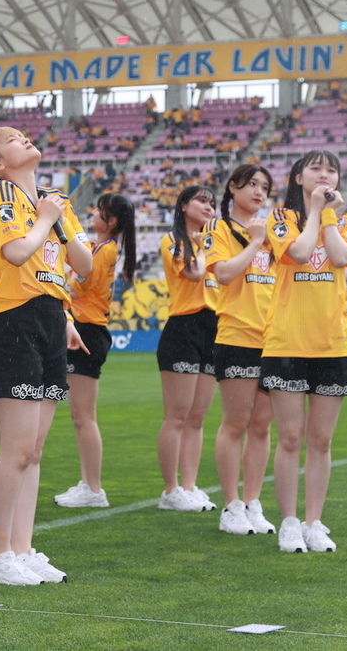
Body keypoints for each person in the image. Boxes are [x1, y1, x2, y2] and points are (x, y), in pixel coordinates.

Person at [0, 127, 92, 585]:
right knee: (17, 449)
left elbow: (84, 266)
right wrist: (45, 219)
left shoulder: (54, 202)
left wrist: (58, 219)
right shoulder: (3, 193)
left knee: (34, 450)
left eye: (24, 134)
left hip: (50, 318)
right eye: (12, 138)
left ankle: (22, 548)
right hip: (14, 322)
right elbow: (18, 252)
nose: (24, 138)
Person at [262, 150, 347, 553]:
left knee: (321, 441)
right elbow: (300, 253)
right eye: (316, 168)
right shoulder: (281, 218)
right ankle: (289, 522)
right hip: (287, 341)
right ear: (299, 177)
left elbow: (340, 257)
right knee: (289, 437)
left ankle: (314, 522)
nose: (324, 175)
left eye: (331, 170)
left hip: (333, 344)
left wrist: (329, 215)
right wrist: (316, 213)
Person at [203, 164, 277, 536]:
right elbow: (224, 274)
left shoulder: (275, 234)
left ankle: (252, 502)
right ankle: (231, 505)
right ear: (232, 188)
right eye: (251, 184)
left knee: (262, 426)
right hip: (236, 337)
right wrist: (254, 242)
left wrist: (264, 238)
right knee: (235, 423)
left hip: (274, 340)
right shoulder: (217, 228)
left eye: (265, 187)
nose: (259, 192)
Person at [54, 193, 137, 508]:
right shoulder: (104, 248)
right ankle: (89, 484)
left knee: (83, 416)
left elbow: (78, 286)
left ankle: (93, 488)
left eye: (99, 211)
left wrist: (64, 275)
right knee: (81, 416)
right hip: (89, 328)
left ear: (111, 221)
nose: (93, 214)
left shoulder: (103, 250)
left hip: (86, 329)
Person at [156, 184, 220, 512]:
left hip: (214, 327)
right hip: (184, 328)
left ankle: (190, 486)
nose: (209, 207)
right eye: (201, 201)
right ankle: (171, 490)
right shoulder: (173, 239)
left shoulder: (215, 242)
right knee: (177, 416)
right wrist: (205, 245)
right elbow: (194, 273)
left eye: (212, 203)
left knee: (197, 417)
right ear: (184, 205)